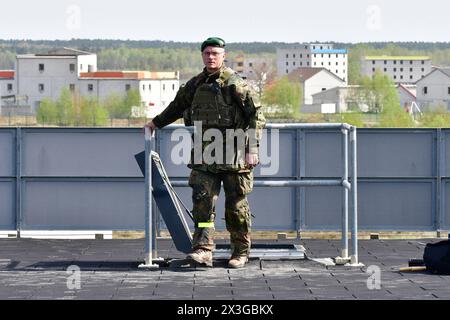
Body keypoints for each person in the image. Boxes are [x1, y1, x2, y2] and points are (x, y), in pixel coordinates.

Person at [144, 37, 266, 268]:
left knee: (236, 207)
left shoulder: (235, 83)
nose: (211, 57)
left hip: (235, 154)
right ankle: (203, 249)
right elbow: (177, 107)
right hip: (205, 155)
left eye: (215, 53)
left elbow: (256, 115)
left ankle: (240, 252)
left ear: (223, 56)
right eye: (207, 53)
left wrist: (252, 149)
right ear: (203, 55)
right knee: (202, 205)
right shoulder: (195, 84)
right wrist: (155, 123)